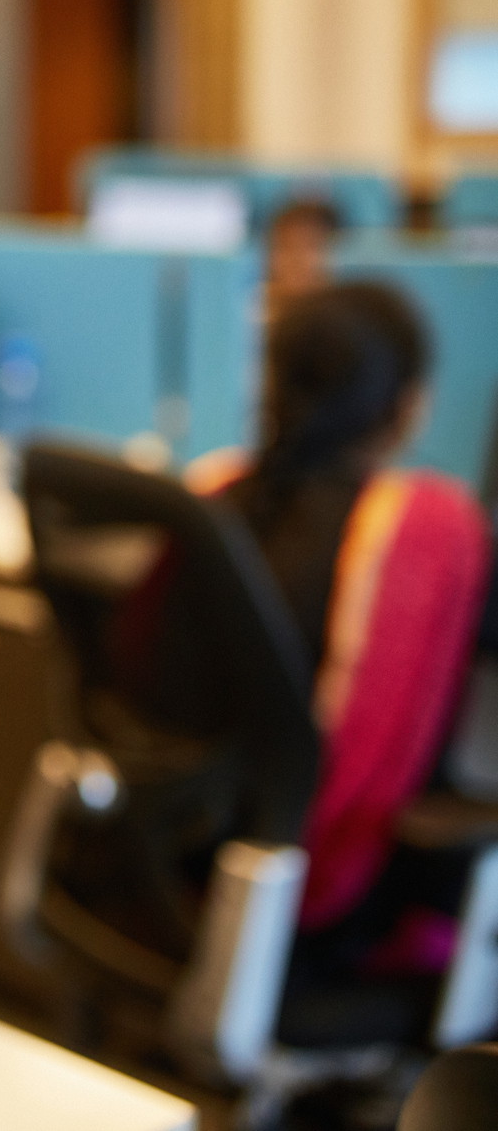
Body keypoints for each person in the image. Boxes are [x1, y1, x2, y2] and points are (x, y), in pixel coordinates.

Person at [214, 283, 490, 961]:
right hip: (327, 895)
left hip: (190, 853)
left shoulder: (221, 501)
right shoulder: (423, 536)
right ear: (404, 407)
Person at [263, 195, 340, 321]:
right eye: (286, 246)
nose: (297, 259)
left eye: (311, 246)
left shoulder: (344, 323)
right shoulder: (248, 313)